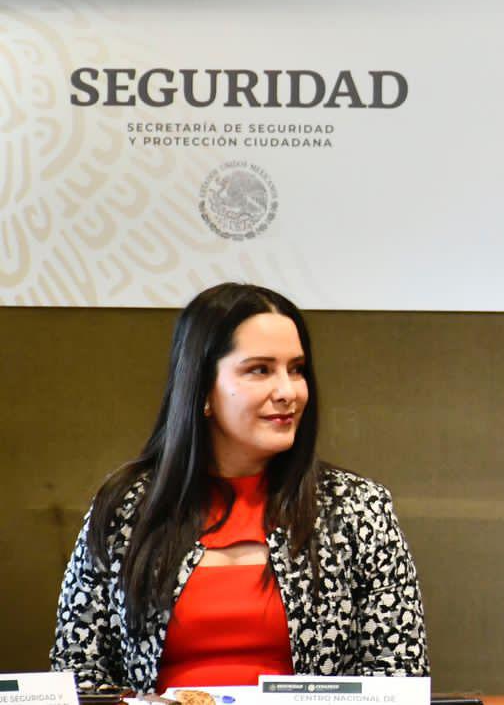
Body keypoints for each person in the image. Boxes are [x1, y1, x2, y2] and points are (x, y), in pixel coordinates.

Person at [52, 282, 429, 692]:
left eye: (296, 369)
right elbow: (78, 674)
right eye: (260, 370)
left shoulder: (358, 509)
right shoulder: (125, 509)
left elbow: (399, 678)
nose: (288, 392)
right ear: (203, 388)